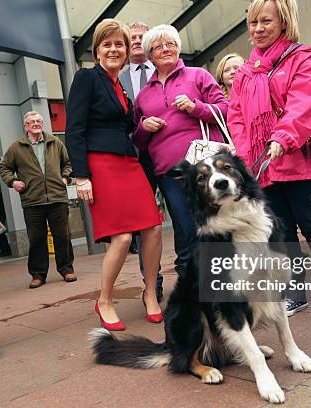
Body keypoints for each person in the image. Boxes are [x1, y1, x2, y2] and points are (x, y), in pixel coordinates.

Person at [228, 0, 311, 323]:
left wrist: (282, 138)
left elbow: (305, 104)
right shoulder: (244, 73)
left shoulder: (300, 58)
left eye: (266, 21)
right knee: (280, 234)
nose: (258, 29)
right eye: (253, 23)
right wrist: (244, 157)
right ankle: (294, 291)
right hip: (263, 169)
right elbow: (236, 117)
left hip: (298, 161)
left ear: (283, 22)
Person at [66, 19, 163, 331]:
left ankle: (150, 293)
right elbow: (74, 130)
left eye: (118, 44)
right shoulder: (86, 78)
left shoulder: (119, 86)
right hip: (100, 166)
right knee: (121, 237)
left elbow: (123, 129)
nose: (113, 49)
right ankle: (104, 300)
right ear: (96, 51)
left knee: (153, 229)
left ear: (126, 51)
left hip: (129, 164)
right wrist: (81, 177)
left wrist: (141, 129)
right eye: (107, 44)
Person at [132, 24, 228, 274]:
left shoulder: (198, 76)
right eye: (158, 46)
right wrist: (144, 127)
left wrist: (195, 107)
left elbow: (225, 110)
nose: (165, 49)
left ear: (178, 48)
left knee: (215, 225)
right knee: (188, 229)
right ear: (149, 54)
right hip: (170, 174)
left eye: (170, 44)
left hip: (205, 166)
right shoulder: (143, 95)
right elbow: (138, 141)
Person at [0, 111, 76, 288]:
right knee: (36, 238)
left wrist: (64, 178)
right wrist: (13, 182)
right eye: (32, 121)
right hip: (32, 200)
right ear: (25, 126)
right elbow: (4, 168)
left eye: (39, 121)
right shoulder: (16, 147)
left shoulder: (55, 143)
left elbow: (68, 164)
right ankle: (38, 274)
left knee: (62, 236)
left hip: (57, 197)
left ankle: (66, 269)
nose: (36, 124)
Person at [118, 21, 164, 301]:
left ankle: (189, 274)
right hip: (135, 159)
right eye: (132, 37)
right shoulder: (118, 79)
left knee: (183, 216)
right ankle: (152, 282)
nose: (136, 41)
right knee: (144, 223)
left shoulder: (167, 73)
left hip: (166, 154)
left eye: (141, 37)